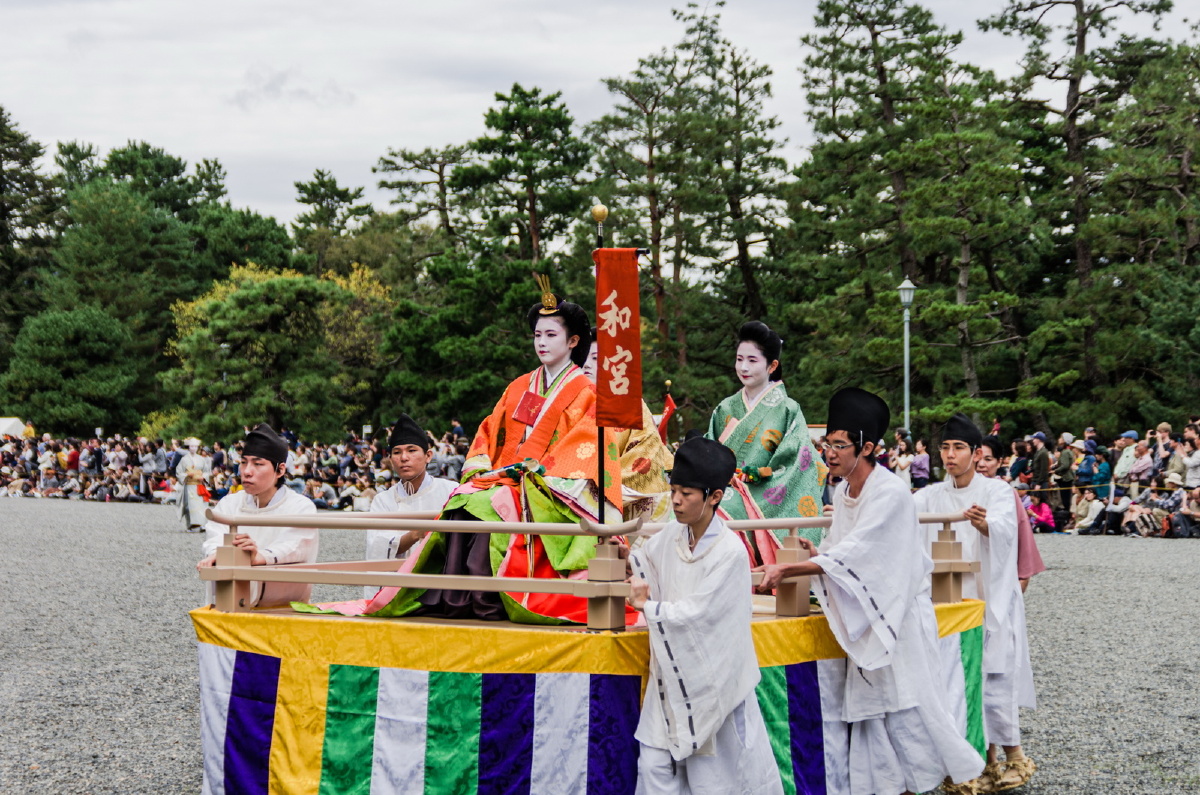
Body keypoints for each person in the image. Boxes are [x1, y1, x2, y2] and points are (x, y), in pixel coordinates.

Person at [758, 388, 983, 795]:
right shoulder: (844, 491)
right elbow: (844, 550)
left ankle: (927, 784)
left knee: (908, 715)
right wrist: (818, 554)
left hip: (899, 622)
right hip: (871, 616)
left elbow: (864, 554)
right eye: (828, 443)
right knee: (872, 726)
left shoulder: (891, 492)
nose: (830, 452)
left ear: (867, 448)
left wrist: (796, 566)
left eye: (840, 445)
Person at [626, 436, 783, 795]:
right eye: (674, 490)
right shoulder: (672, 535)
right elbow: (643, 561)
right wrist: (621, 555)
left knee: (713, 778)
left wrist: (648, 608)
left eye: (688, 493)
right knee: (652, 766)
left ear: (714, 496)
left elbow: (701, 616)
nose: (677, 501)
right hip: (671, 676)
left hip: (714, 681)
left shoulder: (730, 553)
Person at [913, 413, 1036, 792]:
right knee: (958, 678)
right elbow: (899, 515)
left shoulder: (996, 491)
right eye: (945, 448)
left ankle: (1014, 758)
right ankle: (976, 761)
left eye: (959, 448)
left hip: (991, 597)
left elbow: (1004, 529)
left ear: (976, 452)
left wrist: (985, 525)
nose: (950, 455)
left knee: (995, 678)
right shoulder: (932, 494)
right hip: (951, 599)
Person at [705, 321, 826, 549]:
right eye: (739, 359)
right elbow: (709, 451)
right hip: (722, 489)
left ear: (772, 365)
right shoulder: (726, 408)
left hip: (762, 495)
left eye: (752, 361)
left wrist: (751, 482)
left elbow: (797, 465)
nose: (743, 368)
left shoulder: (788, 409)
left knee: (719, 514)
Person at [197, 424, 319, 608]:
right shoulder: (230, 503)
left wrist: (258, 556)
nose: (246, 471)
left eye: (258, 464)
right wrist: (217, 554)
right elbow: (215, 535)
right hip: (229, 602)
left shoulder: (301, 507)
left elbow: (295, 546)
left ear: (280, 470)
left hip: (283, 604)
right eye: (244, 462)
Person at [361, 414, 457, 597]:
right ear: (390, 459)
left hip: (442, 586)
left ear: (428, 456)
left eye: (412, 450)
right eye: (396, 452)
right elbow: (377, 546)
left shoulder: (451, 491)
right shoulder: (383, 500)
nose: (404, 458)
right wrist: (415, 534)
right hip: (396, 588)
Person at [978, 436, 1045, 591]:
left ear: (999, 462)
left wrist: (1022, 574)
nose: (982, 464)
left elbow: (1021, 529)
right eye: (978, 458)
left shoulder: (1006, 491)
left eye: (988, 459)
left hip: (999, 562)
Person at [176, 438, 211, 531]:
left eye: (195, 446)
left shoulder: (201, 459)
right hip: (189, 485)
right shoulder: (184, 459)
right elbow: (179, 472)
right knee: (190, 505)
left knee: (201, 504)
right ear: (188, 447)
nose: (194, 448)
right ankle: (192, 525)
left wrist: (203, 477)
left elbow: (207, 471)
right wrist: (187, 474)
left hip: (199, 484)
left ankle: (201, 524)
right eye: (192, 446)